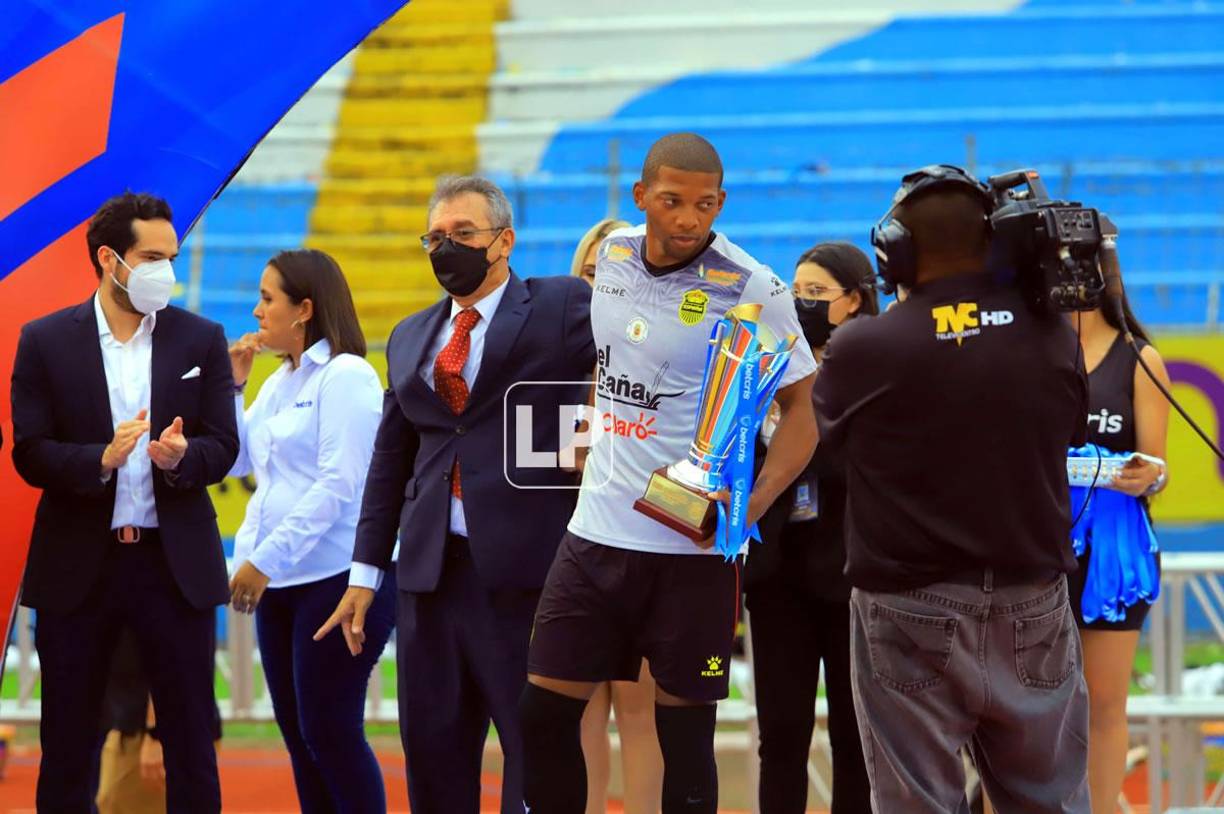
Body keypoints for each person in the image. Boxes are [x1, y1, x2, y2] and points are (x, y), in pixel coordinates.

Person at [519, 132, 819, 814]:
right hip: (594, 538)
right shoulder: (616, 253)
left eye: (705, 204)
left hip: (688, 552)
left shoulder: (751, 286)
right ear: (641, 198)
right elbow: (609, 371)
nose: (689, 219)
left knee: (684, 741)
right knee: (541, 717)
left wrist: (750, 506)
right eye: (672, 201)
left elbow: (804, 412)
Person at [813, 164, 1091, 813]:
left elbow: (836, 447)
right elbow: (1070, 427)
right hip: (1033, 601)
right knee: (1048, 801)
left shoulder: (863, 348)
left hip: (910, 605)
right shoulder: (1050, 335)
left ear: (894, 254)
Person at [315, 175, 596, 814]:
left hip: (526, 578)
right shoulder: (411, 336)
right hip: (428, 580)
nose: (447, 248)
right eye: (435, 237)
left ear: (504, 241)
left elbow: (631, 356)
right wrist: (364, 572)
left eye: (462, 234)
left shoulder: (556, 307)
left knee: (537, 757)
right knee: (435, 757)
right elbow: (391, 462)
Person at [11, 191, 236, 812]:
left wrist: (180, 458)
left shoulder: (201, 338)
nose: (165, 268)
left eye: (171, 255)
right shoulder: (46, 341)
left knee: (190, 738)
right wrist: (101, 459)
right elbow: (29, 452)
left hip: (173, 567)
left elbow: (223, 445)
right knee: (68, 742)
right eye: (151, 256)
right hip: (80, 568)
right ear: (110, 259)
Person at [226, 249, 394, 812]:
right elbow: (236, 461)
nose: (256, 311)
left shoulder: (347, 375)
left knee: (330, 732)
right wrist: (233, 389)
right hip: (284, 583)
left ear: (304, 309)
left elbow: (338, 485)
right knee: (301, 738)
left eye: (267, 299)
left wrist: (263, 559)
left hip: (337, 579)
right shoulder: (280, 380)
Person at [746, 241, 876, 814]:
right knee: (780, 738)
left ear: (854, 300)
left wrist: (797, 428)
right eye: (795, 293)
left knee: (855, 739)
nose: (803, 304)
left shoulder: (877, 369)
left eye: (817, 294)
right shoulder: (766, 367)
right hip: (776, 576)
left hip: (853, 580)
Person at [570, 217, 665, 814]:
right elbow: (557, 463)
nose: (600, 283)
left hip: (647, 549)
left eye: (615, 270)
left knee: (638, 709)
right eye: (590, 271)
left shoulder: (663, 361)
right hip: (570, 551)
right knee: (577, 710)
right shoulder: (550, 363)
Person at [1067, 284, 1170, 814]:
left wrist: (1146, 476)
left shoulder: (1139, 358)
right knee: (1020, 710)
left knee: (1103, 704)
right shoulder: (1027, 351)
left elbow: (1156, 466)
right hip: (1032, 547)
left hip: (1114, 555)